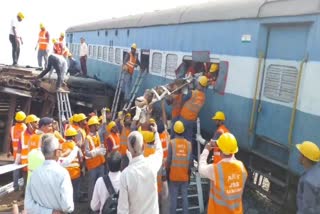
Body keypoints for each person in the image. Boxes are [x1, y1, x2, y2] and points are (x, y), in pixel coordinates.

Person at [117, 126, 163, 214]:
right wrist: (156, 133)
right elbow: (159, 151)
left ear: (128, 149)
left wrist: (131, 162)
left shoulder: (125, 175)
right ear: (143, 147)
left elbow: (122, 209)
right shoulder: (151, 163)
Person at [199, 133, 247, 214]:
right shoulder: (242, 167)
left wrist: (206, 149)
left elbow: (201, 168)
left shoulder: (216, 169)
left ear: (220, 150)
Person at [24, 135, 74, 213]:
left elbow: (28, 205)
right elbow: (67, 206)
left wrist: (48, 211)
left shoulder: (34, 174)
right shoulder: (63, 173)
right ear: (57, 152)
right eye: (60, 149)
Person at [167, 121, 192, 214]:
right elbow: (189, 162)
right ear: (183, 131)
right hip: (184, 176)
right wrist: (189, 175)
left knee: (173, 199)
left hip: (173, 176)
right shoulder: (189, 144)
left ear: (174, 130)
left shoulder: (172, 143)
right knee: (185, 199)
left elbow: (169, 161)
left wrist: (167, 172)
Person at [180, 75, 207, 158]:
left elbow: (183, 99)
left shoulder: (192, 93)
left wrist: (188, 88)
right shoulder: (203, 97)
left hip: (184, 119)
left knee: (180, 137)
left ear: (198, 84)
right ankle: (189, 157)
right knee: (189, 139)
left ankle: (181, 153)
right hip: (192, 120)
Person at [85, 116, 106, 201]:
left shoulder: (97, 134)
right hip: (93, 166)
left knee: (100, 185)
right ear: (92, 126)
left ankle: (100, 201)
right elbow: (86, 153)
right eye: (96, 125)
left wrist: (103, 115)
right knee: (92, 186)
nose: (98, 126)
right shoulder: (87, 138)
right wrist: (97, 152)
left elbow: (103, 127)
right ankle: (91, 204)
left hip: (100, 164)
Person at [15, 114, 39, 191]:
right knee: (26, 184)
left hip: (36, 165)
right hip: (26, 165)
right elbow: (19, 149)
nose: (37, 123)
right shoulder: (22, 135)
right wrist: (16, 162)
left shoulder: (38, 134)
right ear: (29, 124)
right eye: (35, 122)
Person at [296, 141, 320, 213]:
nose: (298, 156)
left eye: (300, 153)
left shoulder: (309, 182)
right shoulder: (316, 171)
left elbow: (308, 209)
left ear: (305, 158)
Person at [61, 127, 83, 203]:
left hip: (65, 173)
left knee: (66, 190)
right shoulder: (76, 146)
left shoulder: (61, 145)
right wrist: (82, 168)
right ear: (73, 137)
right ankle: (75, 204)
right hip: (75, 172)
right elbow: (81, 158)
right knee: (75, 189)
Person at [9, 111, 27, 192]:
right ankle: (24, 187)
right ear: (24, 119)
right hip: (24, 153)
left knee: (15, 170)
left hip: (15, 153)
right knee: (25, 170)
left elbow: (10, 140)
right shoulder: (25, 128)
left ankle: (15, 186)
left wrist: (9, 151)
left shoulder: (12, 128)